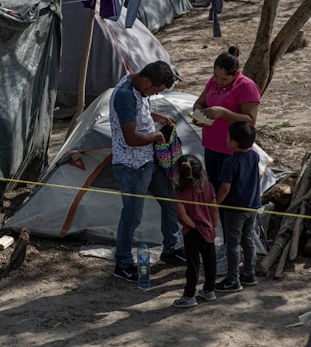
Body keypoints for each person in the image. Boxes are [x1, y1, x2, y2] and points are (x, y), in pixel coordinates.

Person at [110, 61, 186, 282]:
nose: (154, 95)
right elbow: (131, 138)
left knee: (170, 200)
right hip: (132, 166)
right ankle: (122, 263)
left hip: (149, 160)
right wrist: (157, 135)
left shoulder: (139, 87)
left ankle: (171, 248)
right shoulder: (124, 94)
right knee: (132, 216)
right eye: (156, 90)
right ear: (146, 81)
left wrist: (157, 118)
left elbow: (138, 111)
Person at [191, 46, 260, 189]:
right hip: (211, 146)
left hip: (233, 150)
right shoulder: (213, 82)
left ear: (235, 74)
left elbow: (250, 121)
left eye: (224, 78)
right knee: (214, 188)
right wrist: (198, 115)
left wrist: (223, 112)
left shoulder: (246, 86)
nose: (218, 81)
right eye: (216, 76)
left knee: (230, 191)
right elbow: (199, 102)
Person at [214, 122, 262, 293]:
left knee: (233, 244)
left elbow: (225, 188)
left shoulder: (230, 162)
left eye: (228, 137)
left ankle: (232, 280)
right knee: (248, 239)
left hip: (235, 209)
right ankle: (249, 274)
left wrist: (215, 203)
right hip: (252, 206)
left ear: (234, 142)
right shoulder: (254, 156)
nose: (226, 140)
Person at [172, 156, 218, 309]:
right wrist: (213, 227)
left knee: (193, 265)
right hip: (208, 230)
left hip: (192, 233)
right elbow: (214, 210)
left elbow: (183, 215)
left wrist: (193, 226)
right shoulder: (208, 187)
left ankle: (189, 296)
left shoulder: (179, 192)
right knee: (210, 262)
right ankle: (209, 290)